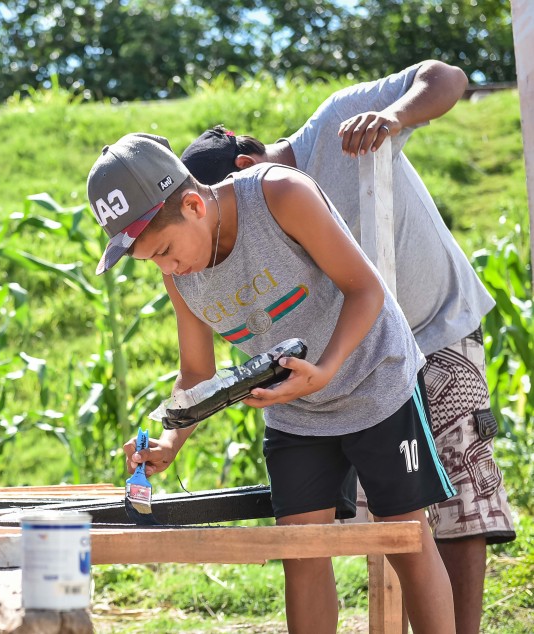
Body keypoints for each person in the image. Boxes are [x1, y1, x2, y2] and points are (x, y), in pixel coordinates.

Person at [180, 59, 515, 634]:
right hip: (355, 361)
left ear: (242, 171)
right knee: (386, 517)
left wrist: (392, 117)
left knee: (459, 505)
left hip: (435, 325)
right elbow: (197, 366)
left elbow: (448, 77)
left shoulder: (334, 127)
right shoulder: (213, 242)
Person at [87, 132, 456, 632]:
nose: (167, 268)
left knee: (405, 539)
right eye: (152, 260)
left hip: (376, 381)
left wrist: (325, 370)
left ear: (193, 204)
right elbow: (198, 371)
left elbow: (366, 289)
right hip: (294, 408)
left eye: (166, 251)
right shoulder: (179, 271)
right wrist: (171, 439)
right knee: (300, 552)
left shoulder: (281, 196)